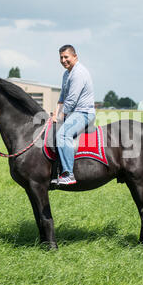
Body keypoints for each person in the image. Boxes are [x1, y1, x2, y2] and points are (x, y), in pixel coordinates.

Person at [52, 45, 95, 185]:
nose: (63, 60)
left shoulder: (78, 73)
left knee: (62, 135)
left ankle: (69, 175)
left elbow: (71, 100)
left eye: (66, 57)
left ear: (75, 56)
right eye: (61, 57)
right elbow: (62, 97)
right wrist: (54, 114)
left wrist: (61, 116)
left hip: (83, 113)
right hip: (72, 112)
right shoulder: (66, 74)